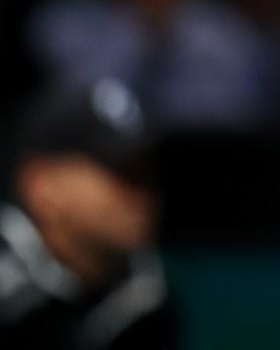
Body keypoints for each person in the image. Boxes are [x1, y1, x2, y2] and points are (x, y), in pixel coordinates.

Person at [0, 76, 177, 349]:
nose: (142, 193)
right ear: (41, 187)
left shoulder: (149, 297)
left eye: (147, 173)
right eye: (121, 173)